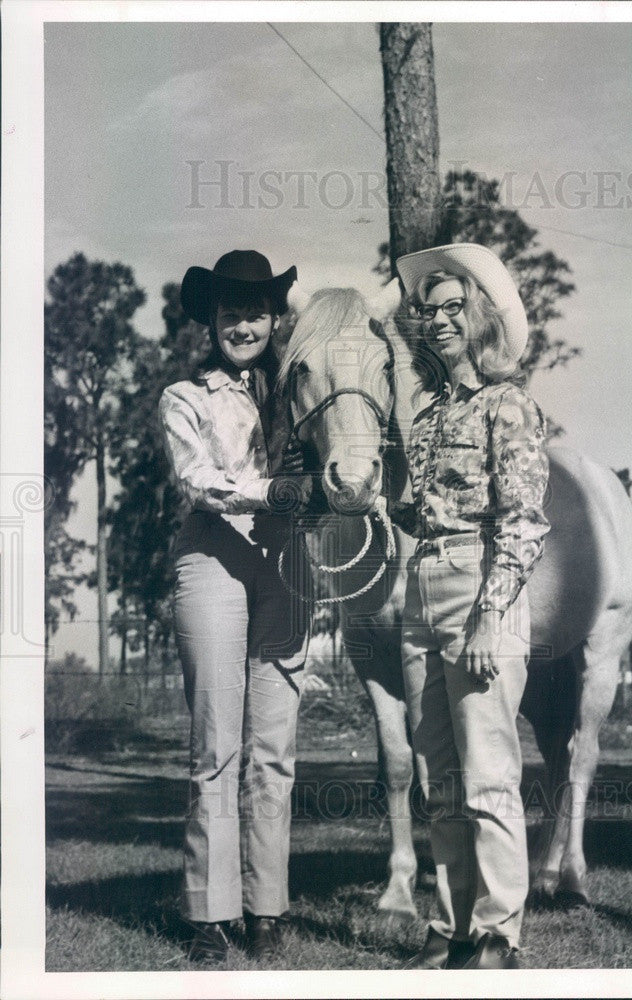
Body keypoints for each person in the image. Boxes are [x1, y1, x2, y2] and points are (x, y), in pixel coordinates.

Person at [393, 243, 551, 970]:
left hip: (480, 585)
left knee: (487, 769)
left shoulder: (508, 402)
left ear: (482, 317)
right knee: (439, 777)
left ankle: (497, 930)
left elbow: (522, 519)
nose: (441, 320)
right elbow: (421, 511)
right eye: (432, 310)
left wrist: (491, 614)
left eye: (456, 307)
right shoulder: (425, 417)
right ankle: (451, 924)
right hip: (421, 587)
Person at [159, 250, 311, 964]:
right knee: (217, 742)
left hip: (285, 563)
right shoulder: (185, 397)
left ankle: (267, 910)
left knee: (274, 747)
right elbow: (199, 480)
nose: (243, 323)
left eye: (255, 311)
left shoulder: (297, 391)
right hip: (214, 556)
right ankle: (208, 915)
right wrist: (273, 492)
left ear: (274, 319)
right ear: (211, 321)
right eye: (230, 312)